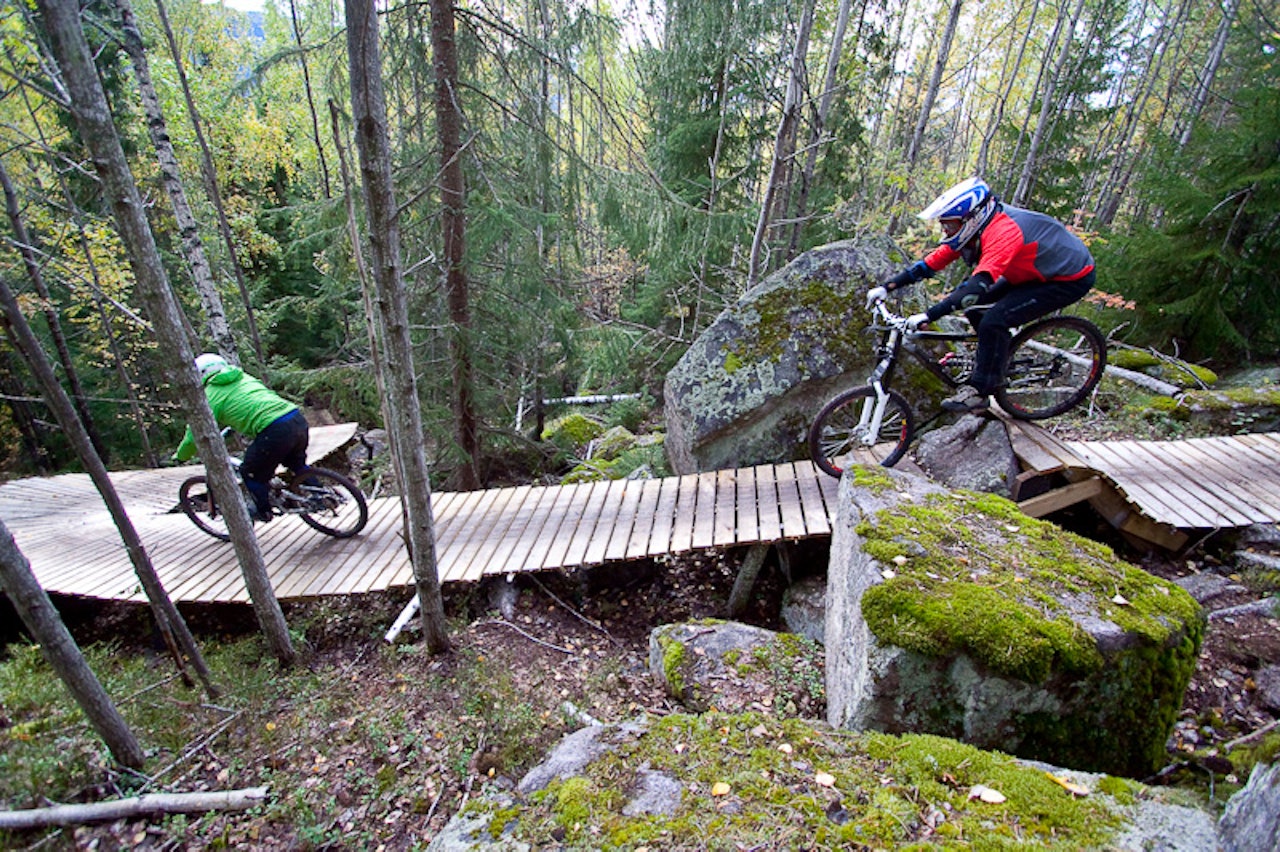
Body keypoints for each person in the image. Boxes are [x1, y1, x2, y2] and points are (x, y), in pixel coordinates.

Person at [865, 177, 1096, 412]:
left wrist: (929, 315)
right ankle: (994, 359)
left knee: (994, 320)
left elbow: (974, 289)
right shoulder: (976, 228)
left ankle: (980, 390)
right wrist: (887, 287)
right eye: (944, 225)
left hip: (1068, 277)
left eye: (951, 225)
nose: (946, 231)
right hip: (1031, 271)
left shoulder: (1003, 232)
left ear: (972, 218)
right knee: (976, 312)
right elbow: (929, 264)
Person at [173, 353, 310, 523]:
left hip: (274, 429)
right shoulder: (243, 377)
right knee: (297, 465)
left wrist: (181, 456)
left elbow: (194, 433)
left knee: (250, 473)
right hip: (295, 418)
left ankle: (263, 511)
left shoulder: (209, 395)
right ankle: (321, 497)